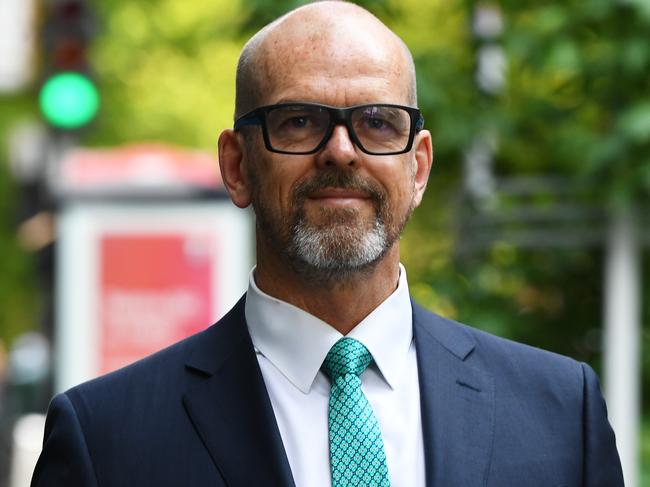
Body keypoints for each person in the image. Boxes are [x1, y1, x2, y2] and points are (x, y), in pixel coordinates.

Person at [32, 2, 623, 486]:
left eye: (378, 121)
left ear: (418, 169)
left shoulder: (558, 413)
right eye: (298, 121)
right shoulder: (106, 440)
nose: (341, 149)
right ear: (236, 166)